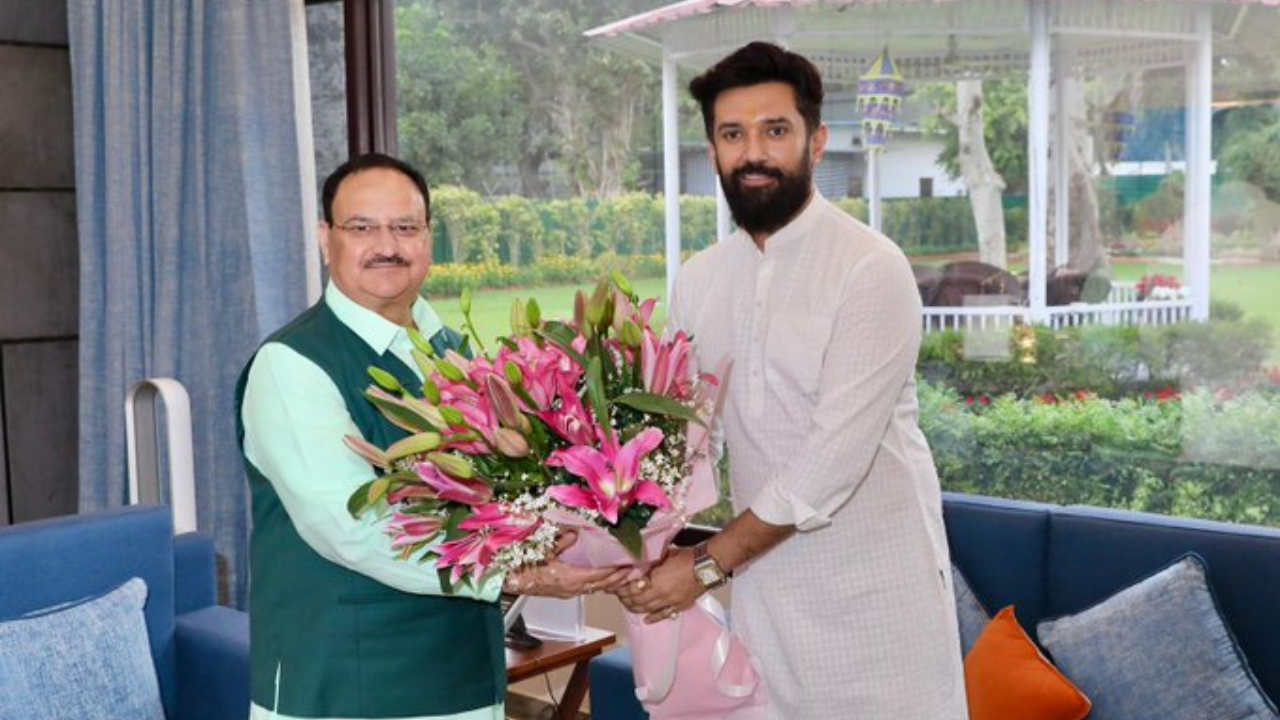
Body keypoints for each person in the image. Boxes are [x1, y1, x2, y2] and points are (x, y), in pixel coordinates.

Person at [616, 42, 969, 720]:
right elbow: (686, 440)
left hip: (877, 611)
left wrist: (705, 565)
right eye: (732, 134)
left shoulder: (871, 268)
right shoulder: (699, 278)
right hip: (765, 599)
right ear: (714, 149)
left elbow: (829, 463)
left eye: (775, 130)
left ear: (816, 140)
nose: (753, 153)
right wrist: (624, 531)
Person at [236, 152, 623, 720]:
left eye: (405, 227)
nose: (386, 245)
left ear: (428, 239)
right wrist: (514, 572)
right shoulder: (292, 365)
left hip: (463, 669)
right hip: (350, 682)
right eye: (361, 227)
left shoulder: (453, 350)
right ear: (326, 239)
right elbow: (351, 528)